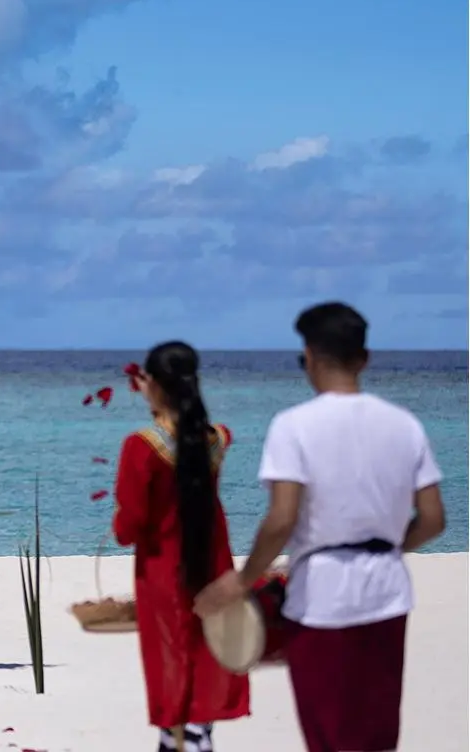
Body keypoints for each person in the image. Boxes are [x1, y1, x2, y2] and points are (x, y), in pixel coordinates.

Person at [195, 303, 445, 752]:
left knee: (327, 735)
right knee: (376, 737)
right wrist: (388, 547)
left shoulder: (293, 426)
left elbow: (282, 519)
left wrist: (243, 579)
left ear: (309, 357)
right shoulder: (404, 425)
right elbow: (432, 519)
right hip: (388, 591)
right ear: (364, 359)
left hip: (322, 595)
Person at [113, 341, 250, 752]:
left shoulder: (142, 446)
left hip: (164, 569)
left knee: (170, 655)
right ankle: (197, 732)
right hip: (211, 564)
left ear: (152, 383)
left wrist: (119, 525)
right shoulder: (217, 439)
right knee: (206, 650)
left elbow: (129, 525)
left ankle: (180, 736)